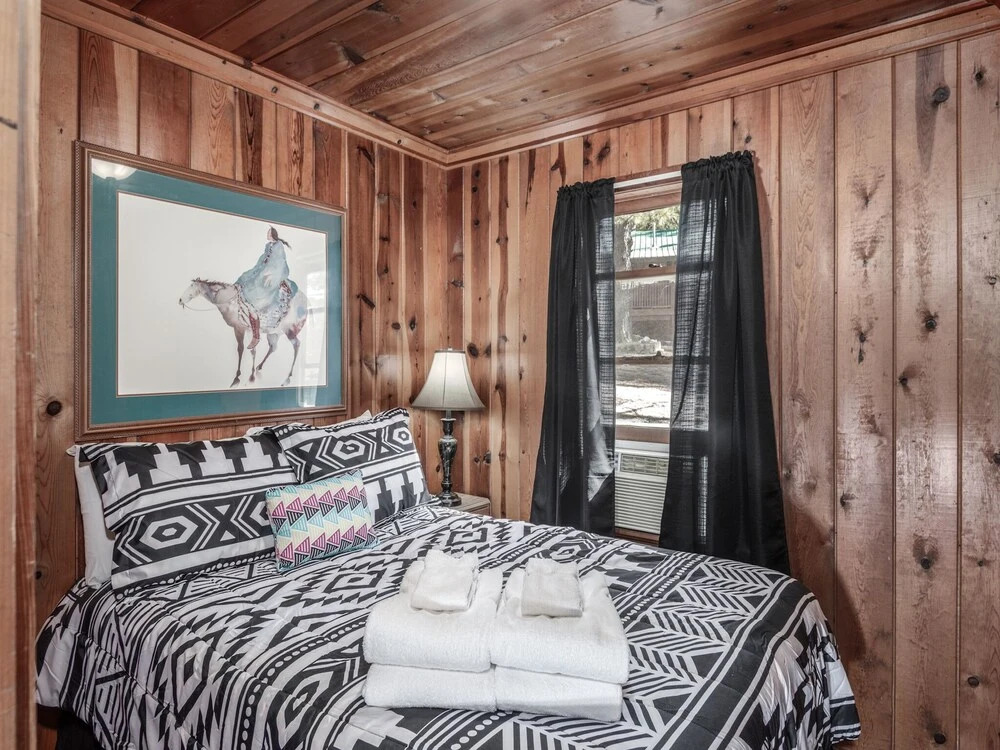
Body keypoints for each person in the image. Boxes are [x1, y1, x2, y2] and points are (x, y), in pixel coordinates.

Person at [234, 226, 299, 342]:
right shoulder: (268, 245)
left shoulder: (278, 245)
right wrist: (259, 268)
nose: (267, 235)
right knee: (248, 277)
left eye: (268, 233)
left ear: (272, 234)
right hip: (263, 268)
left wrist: (272, 273)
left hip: (274, 271)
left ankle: (260, 311)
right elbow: (263, 259)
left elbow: (279, 261)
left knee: (262, 285)